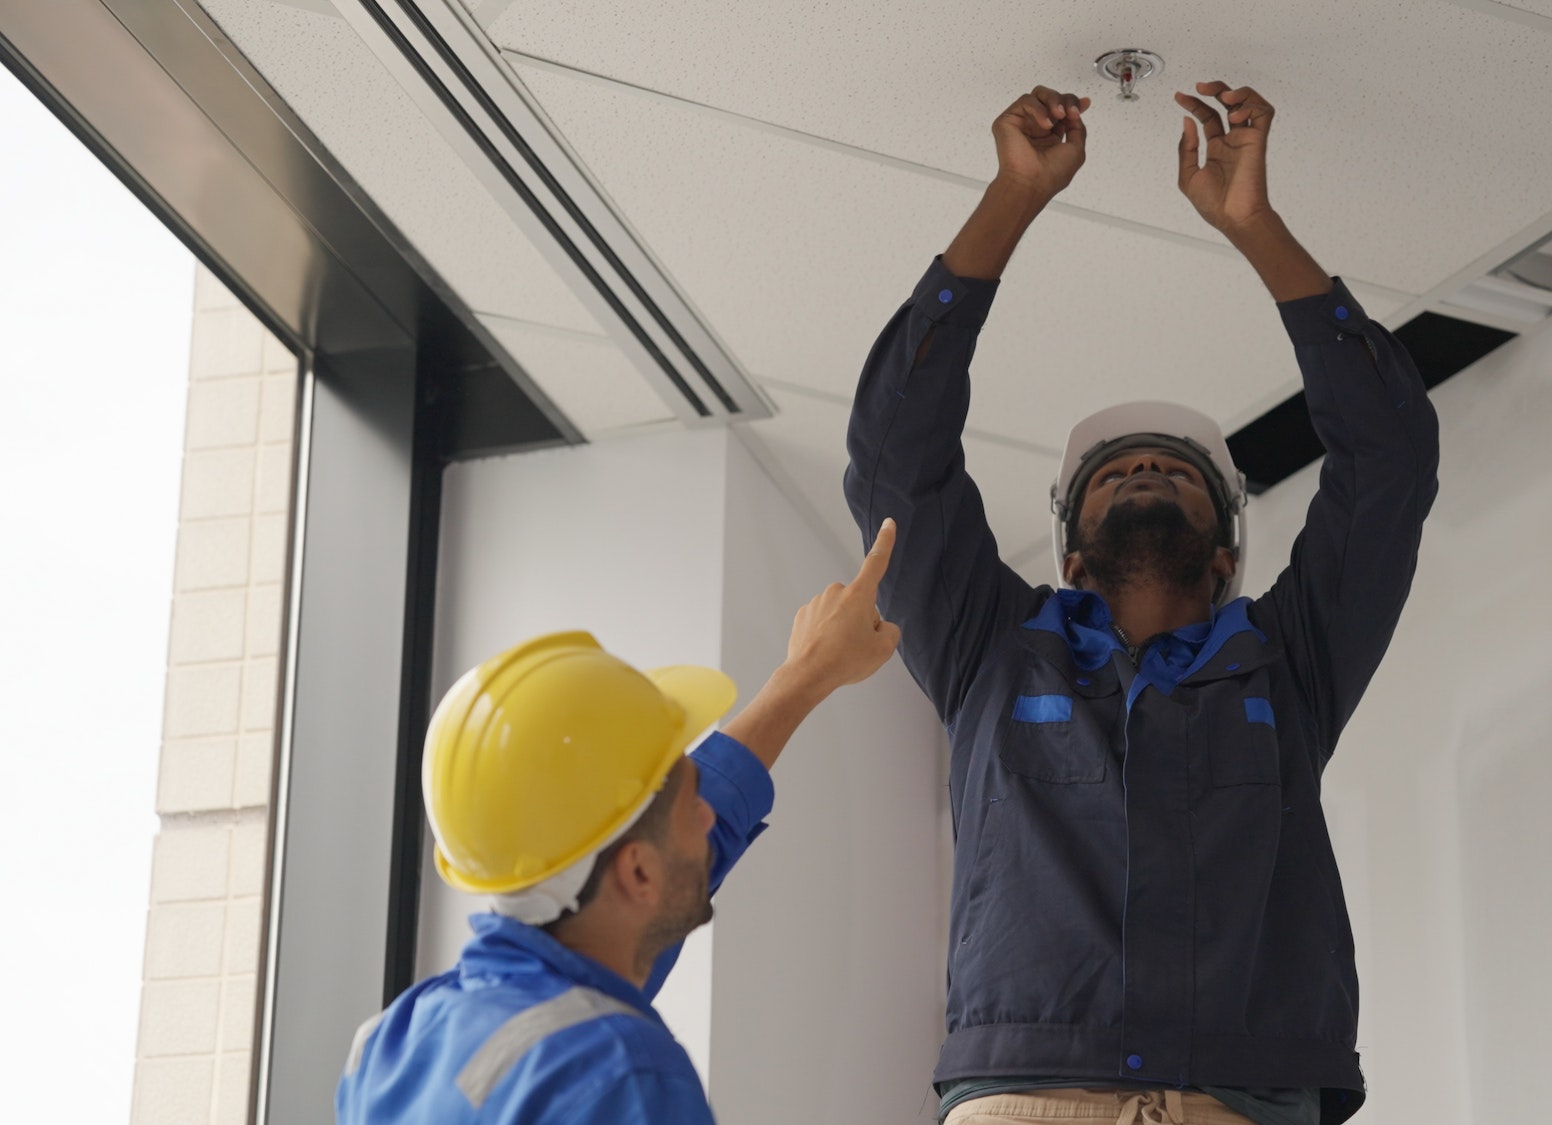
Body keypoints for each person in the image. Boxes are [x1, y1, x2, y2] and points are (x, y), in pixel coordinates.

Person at [845, 81, 1439, 1125]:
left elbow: (1386, 460)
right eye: (1116, 473)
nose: (1145, 470)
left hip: (1240, 1096)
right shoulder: (992, 650)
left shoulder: (1287, 663)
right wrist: (1009, 202)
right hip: (1031, 1095)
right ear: (1071, 553)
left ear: (1222, 556)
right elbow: (897, 459)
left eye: (1174, 469)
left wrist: (1255, 230)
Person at [336, 523, 904, 1123]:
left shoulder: (393, 1043)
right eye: (693, 807)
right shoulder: (621, 1074)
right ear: (636, 872)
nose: (709, 817)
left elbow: (660, 837)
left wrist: (804, 676)